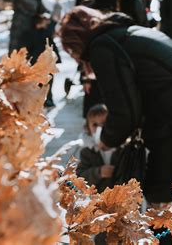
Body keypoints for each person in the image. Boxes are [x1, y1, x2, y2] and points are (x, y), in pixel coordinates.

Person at [59, 6, 172, 221]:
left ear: (76, 44)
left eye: (72, 53)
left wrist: (106, 140)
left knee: (162, 206)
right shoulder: (126, 33)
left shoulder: (103, 47)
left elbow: (124, 112)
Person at [9, 0, 59, 107]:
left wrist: (45, 17)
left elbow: (42, 9)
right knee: (21, 65)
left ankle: (44, 96)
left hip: (36, 34)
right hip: (22, 34)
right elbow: (32, 6)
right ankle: (20, 99)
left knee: (43, 64)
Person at [76, 104, 115, 245]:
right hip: (100, 203)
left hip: (121, 201)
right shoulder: (87, 151)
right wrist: (98, 172)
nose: (99, 129)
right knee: (103, 235)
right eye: (95, 125)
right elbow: (81, 175)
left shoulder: (122, 148)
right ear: (88, 128)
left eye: (104, 124)